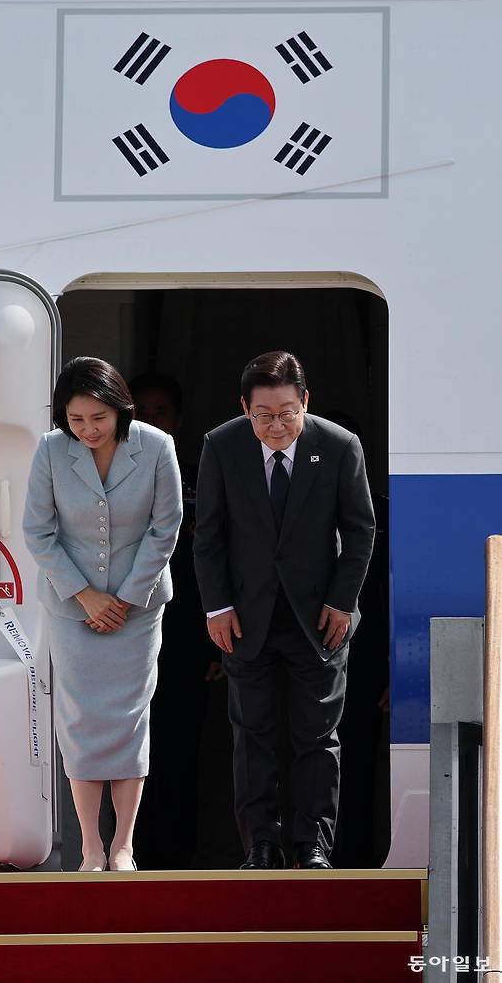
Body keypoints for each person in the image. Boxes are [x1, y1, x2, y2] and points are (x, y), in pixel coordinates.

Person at [193, 350, 375, 870]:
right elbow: (209, 537)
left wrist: (342, 602)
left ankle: (312, 844)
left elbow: (360, 532)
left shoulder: (339, 446)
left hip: (319, 620)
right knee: (253, 736)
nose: (276, 426)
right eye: (264, 415)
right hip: (245, 617)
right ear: (244, 409)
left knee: (316, 736)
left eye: (287, 413)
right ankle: (261, 845)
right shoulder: (222, 446)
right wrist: (217, 607)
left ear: (305, 402)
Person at [22, 357, 183, 871]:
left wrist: (128, 597)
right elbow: (38, 531)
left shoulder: (157, 446)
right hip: (73, 610)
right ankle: (91, 845)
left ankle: (124, 845)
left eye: (99, 418)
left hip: (138, 608)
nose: (88, 429)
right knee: (80, 719)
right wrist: (84, 595)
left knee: (131, 716)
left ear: (120, 409)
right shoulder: (50, 450)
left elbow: (166, 527)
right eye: (76, 420)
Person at [128, 373, 218, 869]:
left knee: (181, 753)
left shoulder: (203, 481)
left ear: (178, 421)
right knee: (126, 753)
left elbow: (223, 565)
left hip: (188, 642)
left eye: (159, 412)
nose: (149, 420)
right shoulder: (108, 474)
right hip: (121, 636)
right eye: (140, 411)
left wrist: (218, 645)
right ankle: (128, 854)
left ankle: (178, 862)